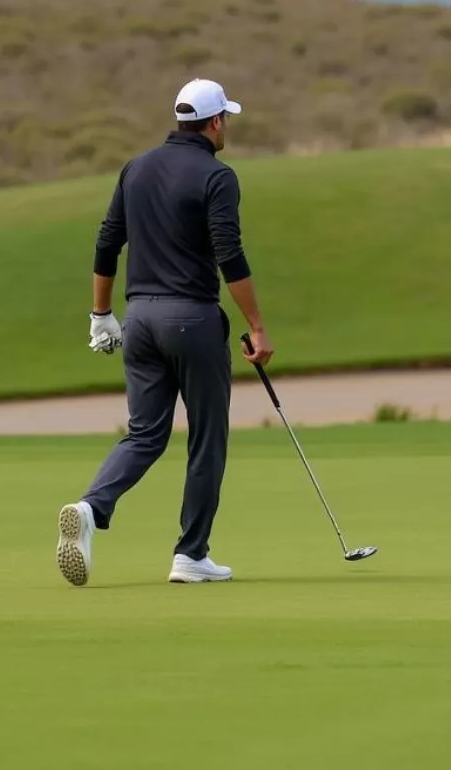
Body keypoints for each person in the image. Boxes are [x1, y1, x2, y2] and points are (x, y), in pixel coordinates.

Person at [56, 78, 275, 587]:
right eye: (228, 120)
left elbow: (108, 241)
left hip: (140, 322)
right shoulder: (217, 177)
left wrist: (99, 313)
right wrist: (258, 327)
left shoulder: (137, 168)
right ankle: (190, 554)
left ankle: (90, 508)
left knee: (145, 434)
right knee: (207, 439)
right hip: (192, 321)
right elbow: (229, 254)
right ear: (216, 121)